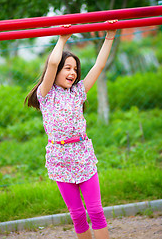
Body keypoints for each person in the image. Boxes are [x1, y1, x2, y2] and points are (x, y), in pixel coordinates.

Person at [25, 21, 117, 239]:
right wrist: (62, 38)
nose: (73, 72)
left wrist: (110, 36)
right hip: (59, 157)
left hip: (82, 154)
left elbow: (98, 67)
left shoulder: (78, 92)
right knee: (77, 214)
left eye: (75, 69)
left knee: (95, 210)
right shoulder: (46, 94)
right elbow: (52, 62)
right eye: (67, 68)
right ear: (56, 71)